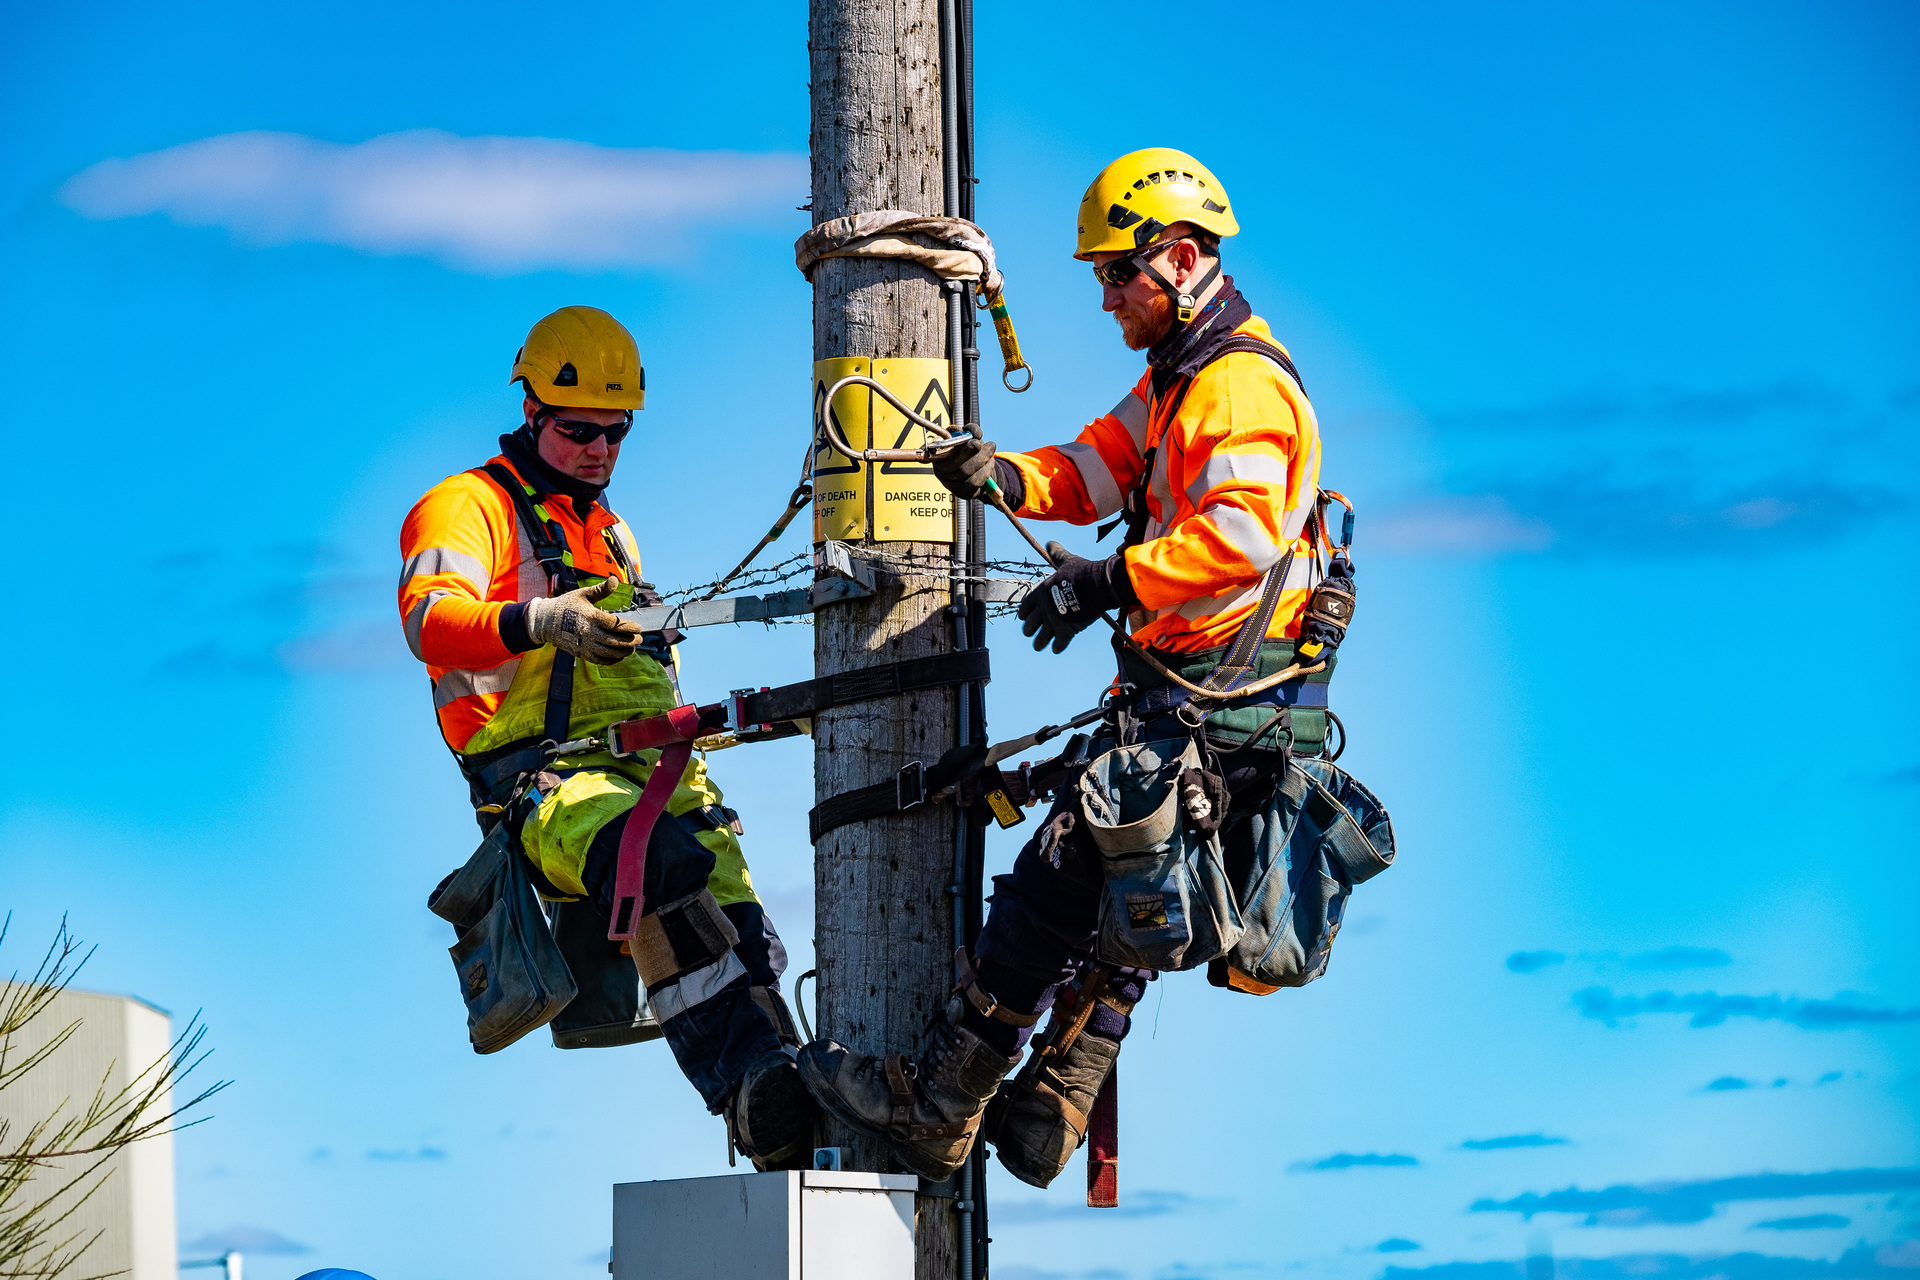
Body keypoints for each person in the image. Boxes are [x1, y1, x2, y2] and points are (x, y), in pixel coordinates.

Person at [799, 149, 1344, 1185]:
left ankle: (943, 1099)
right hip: (1199, 704)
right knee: (1101, 887)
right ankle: (1049, 1096)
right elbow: (1099, 464)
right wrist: (1002, 472)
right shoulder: (1181, 379)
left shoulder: (1235, 388)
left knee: (1055, 877)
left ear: (1179, 260)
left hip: (1222, 708)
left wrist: (1106, 584)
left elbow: (1237, 537)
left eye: (1115, 275)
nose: (1103, 298)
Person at [399, 306, 816, 1168]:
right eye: (577, 430)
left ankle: (787, 1089)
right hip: (542, 784)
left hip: (644, 762)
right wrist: (537, 619)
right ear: (532, 411)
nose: (598, 450)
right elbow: (430, 622)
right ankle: (743, 1083)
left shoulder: (614, 535)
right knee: (653, 860)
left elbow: (643, 678)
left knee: (737, 915)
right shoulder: (465, 506)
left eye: (614, 433)